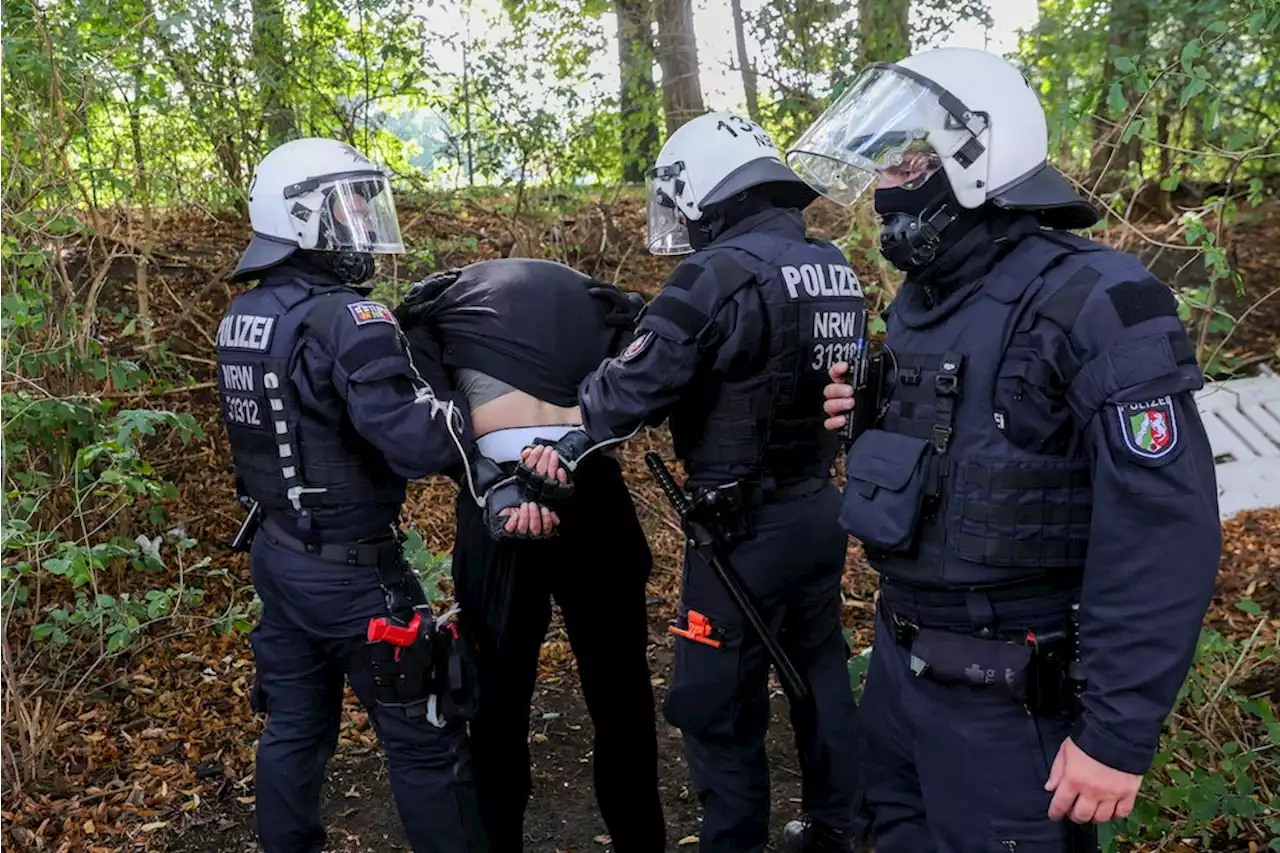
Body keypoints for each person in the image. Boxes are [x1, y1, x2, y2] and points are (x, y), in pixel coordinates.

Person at [786, 47, 1222, 852]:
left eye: (908, 159)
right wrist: (871, 417)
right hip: (899, 665)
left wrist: (1115, 736)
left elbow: (1166, 528)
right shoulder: (926, 298)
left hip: (1008, 695)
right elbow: (975, 457)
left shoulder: (1099, 297)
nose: (888, 183)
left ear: (976, 158)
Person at [515, 112, 868, 853]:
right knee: (820, 665)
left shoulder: (716, 272)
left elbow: (631, 393)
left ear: (708, 193)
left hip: (741, 528)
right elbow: (762, 355)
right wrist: (654, 320)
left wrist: (606, 375)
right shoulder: (830, 262)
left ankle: (733, 841)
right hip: (819, 507)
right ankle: (839, 823)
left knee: (711, 698)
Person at [216, 137, 489, 853]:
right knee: (426, 740)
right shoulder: (348, 318)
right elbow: (417, 442)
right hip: (354, 575)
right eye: (347, 208)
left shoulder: (243, 317)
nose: (361, 224)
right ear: (302, 217)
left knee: (294, 732)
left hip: (278, 556)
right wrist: (485, 411)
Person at [392, 258, 666, 853]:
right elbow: (645, 393)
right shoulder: (590, 309)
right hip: (584, 483)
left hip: (500, 491)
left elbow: (417, 413)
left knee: (495, 701)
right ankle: (639, 840)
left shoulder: (438, 322)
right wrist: (636, 326)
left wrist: (407, 327)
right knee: (620, 693)